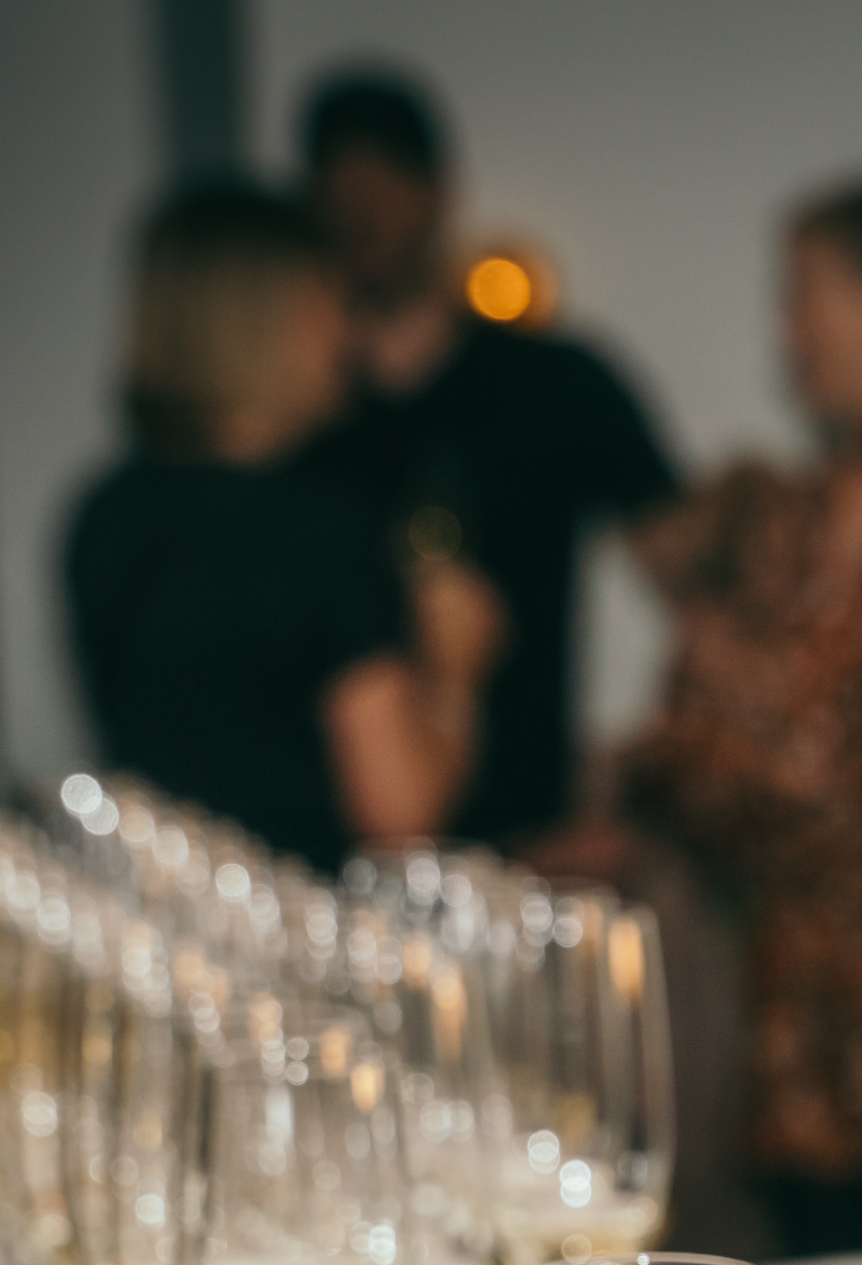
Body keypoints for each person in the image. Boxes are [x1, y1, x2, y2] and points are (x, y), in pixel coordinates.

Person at [615, 179, 862, 1258]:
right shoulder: (795, 499)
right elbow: (686, 720)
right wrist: (693, 739)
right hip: (782, 977)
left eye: (802, 298)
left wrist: (702, 720)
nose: (784, 331)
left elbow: (828, 766)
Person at [297, 67, 685, 849]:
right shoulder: (294, 415)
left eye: (386, 182)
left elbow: (697, 585)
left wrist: (644, 806)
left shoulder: (554, 382)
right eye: (342, 189)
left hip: (529, 844)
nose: (364, 211)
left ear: (440, 192)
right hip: (326, 862)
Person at [65, 184, 500, 870]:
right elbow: (400, 817)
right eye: (331, 303)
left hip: (162, 914)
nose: (347, 335)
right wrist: (454, 678)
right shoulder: (320, 528)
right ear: (271, 321)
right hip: (298, 932)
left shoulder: (104, 512)